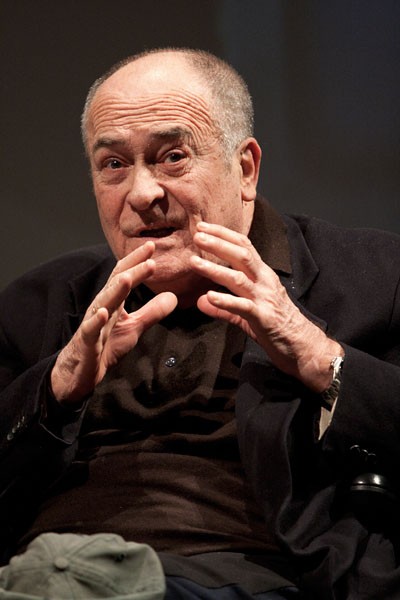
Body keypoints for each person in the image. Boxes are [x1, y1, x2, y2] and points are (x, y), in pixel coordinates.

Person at [0, 47, 399, 600]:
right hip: (41, 570)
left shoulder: (372, 277)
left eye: (172, 157)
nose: (142, 193)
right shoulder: (41, 302)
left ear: (245, 169)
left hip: (244, 579)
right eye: (113, 165)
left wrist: (318, 357)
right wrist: (55, 391)